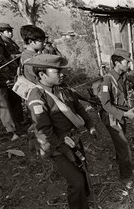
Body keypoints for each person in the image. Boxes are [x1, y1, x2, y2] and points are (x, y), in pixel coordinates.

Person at [26, 54, 98, 209]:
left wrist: (90, 126)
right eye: (57, 72)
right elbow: (44, 129)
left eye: (61, 71)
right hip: (57, 146)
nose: (61, 74)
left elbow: (79, 108)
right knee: (76, 181)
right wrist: (64, 149)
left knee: (83, 170)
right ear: (42, 75)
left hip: (74, 140)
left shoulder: (63, 88)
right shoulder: (38, 96)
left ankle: (85, 199)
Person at [99, 48, 134, 182]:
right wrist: (124, 113)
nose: (129, 65)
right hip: (112, 118)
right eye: (127, 62)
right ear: (117, 63)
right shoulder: (107, 81)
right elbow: (105, 104)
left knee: (121, 143)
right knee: (124, 146)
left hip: (121, 115)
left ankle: (119, 159)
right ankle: (126, 176)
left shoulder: (122, 77)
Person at [0, 33, 25, 141]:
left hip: (6, 72)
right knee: (3, 104)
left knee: (15, 98)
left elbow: (7, 55)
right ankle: (12, 131)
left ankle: (19, 123)